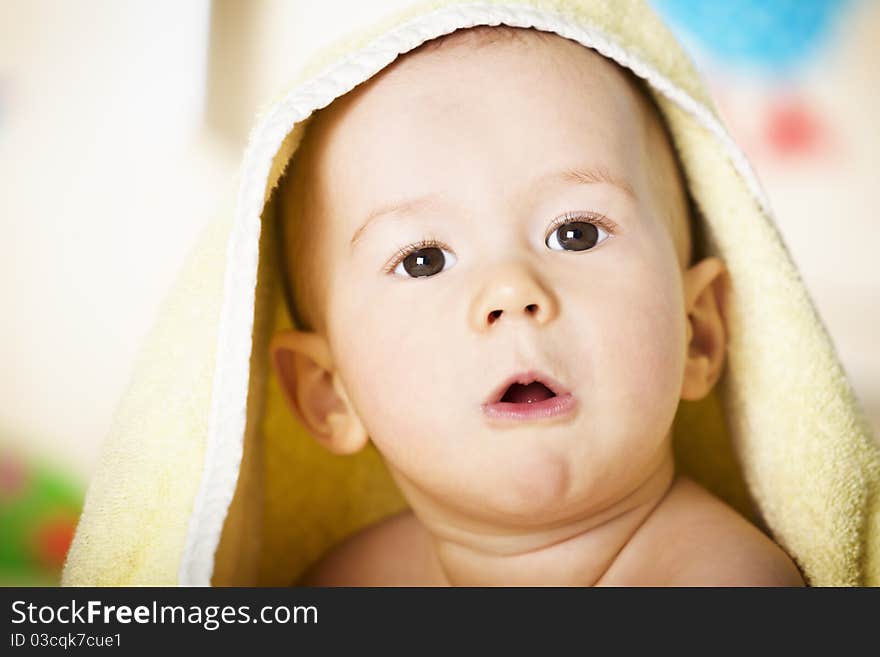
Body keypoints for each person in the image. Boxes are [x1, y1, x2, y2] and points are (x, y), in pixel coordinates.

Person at [268, 25, 805, 586]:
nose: (511, 289)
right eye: (424, 259)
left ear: (697, 333)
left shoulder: (721, 581)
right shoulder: (343, 584)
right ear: (330, 392)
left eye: (576, 234)